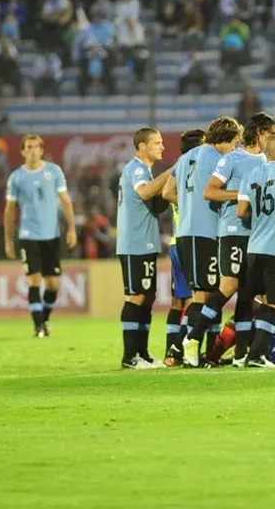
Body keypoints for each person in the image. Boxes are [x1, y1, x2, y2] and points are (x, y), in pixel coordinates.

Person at [183, 113, 275, 366]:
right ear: (259, 133)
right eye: (270, 133)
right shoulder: (233, 158)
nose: (274, 138)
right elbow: (209, 191)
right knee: (229, 286)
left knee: (248, 294)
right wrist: (243, 195)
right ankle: (192, 338)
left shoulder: (269, 161)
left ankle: (241, 354)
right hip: (233, 230)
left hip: (258, 234)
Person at [169, 116, 242, 366]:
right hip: (205, 233)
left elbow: (168, 192)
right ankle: (180, 350)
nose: (235, 149)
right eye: (235, 143)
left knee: (204, 293)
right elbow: (214, 191)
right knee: (202, 296)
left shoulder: (183, 159)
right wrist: (240, 195)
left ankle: (189, 351)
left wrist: (188, 206)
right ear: (226, 140)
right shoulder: (216, 158)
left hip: (184, 232)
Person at [3, 135, 77, 338]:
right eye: (29, 147)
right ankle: (38, 326)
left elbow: (66, 201)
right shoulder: (16, 177)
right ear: (22, 151)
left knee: (53, 284)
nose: (33, 150)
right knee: (33, 280)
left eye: (37, 147)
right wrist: (8, 239)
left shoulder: (53, 172)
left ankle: (43, 319)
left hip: (51, 235)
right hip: (28, 235)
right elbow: (9, 210)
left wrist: (71, 228)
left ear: (42, 150)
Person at [236, 134, 275, 368]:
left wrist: (263, 221)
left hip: (254, 246)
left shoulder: (251, 175)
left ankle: (252, 352)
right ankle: (257, 355)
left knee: (262, 299)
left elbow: (241, 211)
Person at [115, 128, 172, 369]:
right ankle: (130, 357)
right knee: (136, 296)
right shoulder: (137, 168)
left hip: (145, 242)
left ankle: (143, 354)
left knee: (147, 297)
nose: (162, 147)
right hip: (134, 244)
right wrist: (171, 171)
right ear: (142, 147)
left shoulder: (144, 170)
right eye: (157, 143)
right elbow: (145, 192)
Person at [163, 128, 206, 366]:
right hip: (194, 241)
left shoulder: (179, 166)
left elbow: (167, 192)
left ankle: (170, 351)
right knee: (198, 299)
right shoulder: (200, 168)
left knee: (178, 302)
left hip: (176, 242)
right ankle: (183, 347)